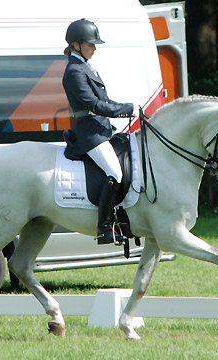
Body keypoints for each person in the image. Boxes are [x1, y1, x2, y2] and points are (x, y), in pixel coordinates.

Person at [62, 19, 138, 245]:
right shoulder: (74, 71)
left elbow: (105, 101)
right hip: (90, 134)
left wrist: (128, 108)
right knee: (115, 173)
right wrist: (129, 108)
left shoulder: (85, 66)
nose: (95, 48)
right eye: (91, 44)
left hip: (101, 130)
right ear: (76, 45)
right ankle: (104, 228)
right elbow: (95, 106)